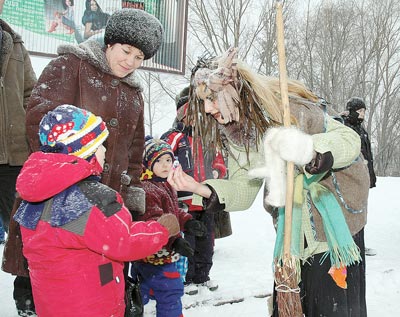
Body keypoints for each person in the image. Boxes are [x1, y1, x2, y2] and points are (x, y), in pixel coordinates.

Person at [168, 47, 370, 317]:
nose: (207, 108)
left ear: (234, 92)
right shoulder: (240, 136)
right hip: (292, 237)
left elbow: (349, 141)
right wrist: (199, 188)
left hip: (333, 229)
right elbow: (244, 187)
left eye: (211, 98)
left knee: (328, 306)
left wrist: (309, 149)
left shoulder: (289, 108)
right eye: (202, 101)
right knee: (293, 303)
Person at [2, 7, 163, 317]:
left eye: (139, 57)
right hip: (56, 207)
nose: (130, 61)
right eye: (126, 50)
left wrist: (131, 200)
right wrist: (75, 182)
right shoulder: (70, 66)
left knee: (97, 293)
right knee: (47, 294)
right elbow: (40, 123)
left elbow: (133, 152)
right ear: (109, 42)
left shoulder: (133, 94)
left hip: (105, 214)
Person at [13, 105, 179, 317]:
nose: (105, 152)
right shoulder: (92, 198)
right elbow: (124, 242)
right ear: (85, 150)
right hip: (93, 304)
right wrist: (161, 230)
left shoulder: (34, 196)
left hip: (52, 305)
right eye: (101, 145)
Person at [161, 87, 231, 295]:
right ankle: (187, 278)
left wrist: (218, 172)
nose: (196, 118)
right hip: (183, 200)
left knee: (207, 240)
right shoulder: (174, 137)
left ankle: (203, 276)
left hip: (206, 198)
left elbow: (220, 161)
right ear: (182, 114)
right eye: (191, 113)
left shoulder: (209, 139)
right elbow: (161, 158)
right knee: (188, 240)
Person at [131, 137, 207, 317]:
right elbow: (156, 220)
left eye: (168, 160)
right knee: (170, 292)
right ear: (148, 162)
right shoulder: (148, 189)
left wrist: (188, 221)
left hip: (152, 254)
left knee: (145, 285)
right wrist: (174, 242)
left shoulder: (165, 184)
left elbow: (173, 212)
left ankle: (139, 297)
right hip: (158, 255)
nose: (165, 165)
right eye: (158, 160)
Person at [0, 1, 37, 315]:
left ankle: (26, 299)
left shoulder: (14, 42)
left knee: (24, 230)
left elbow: (31, 93)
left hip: (14, 156)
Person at [341, 96, 377, 256]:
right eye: (360, 111)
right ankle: (350, 244)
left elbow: (368, 155)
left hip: (363, 178)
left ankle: (360, 244)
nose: (362, 114)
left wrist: (371, 177)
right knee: (350, 212)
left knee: (362, 210)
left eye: (364, 111)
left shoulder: (362, 130)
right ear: (352, 111)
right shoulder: (345, 127)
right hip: (350, 179)